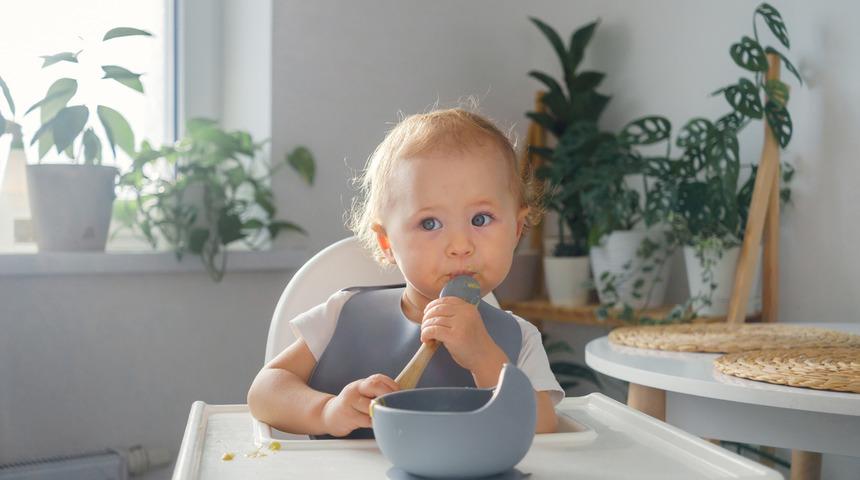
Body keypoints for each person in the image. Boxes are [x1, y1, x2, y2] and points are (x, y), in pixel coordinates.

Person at [248, 107, 563, 438]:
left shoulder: (518, 338)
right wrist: (327, 411)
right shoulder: (344, 315)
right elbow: (264, 392)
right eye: (430, 223)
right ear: (386, 242)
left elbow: (543, 426)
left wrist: (485, 358)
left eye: (481, 219)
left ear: (516, 229)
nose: (460, 245)